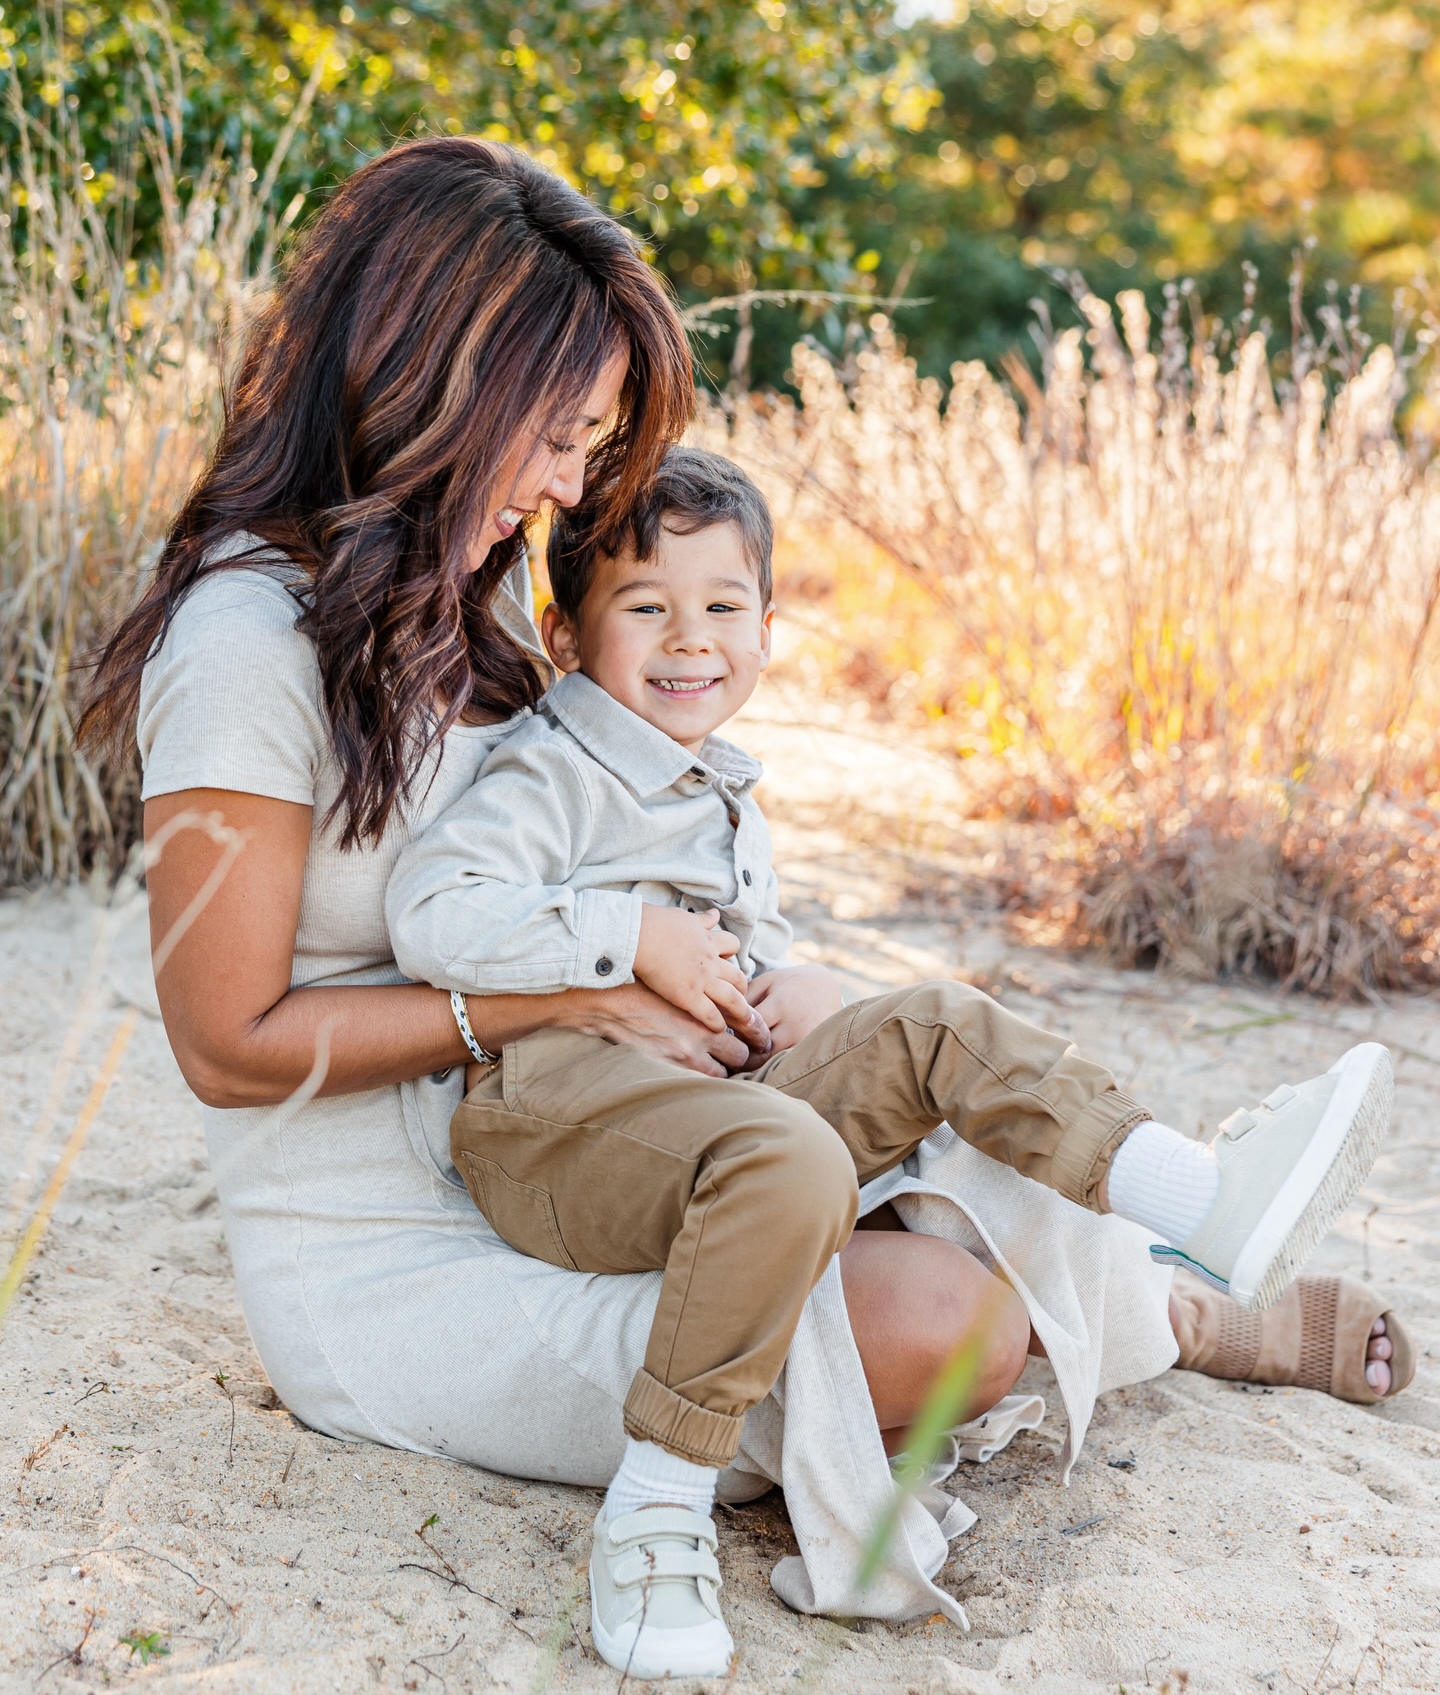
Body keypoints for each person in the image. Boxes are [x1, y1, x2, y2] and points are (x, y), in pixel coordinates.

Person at [76, 138, 1412, 1674]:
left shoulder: (464, 603)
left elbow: (617, 864)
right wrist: (569, 993)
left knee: (921, 1069)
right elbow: (228, 1044)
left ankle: (1187, 1247)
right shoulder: (248, 640)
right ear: (443, 378)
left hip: (602, 1130)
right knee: (940, 1318)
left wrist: (747, 987)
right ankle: (1170, 1319)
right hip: (403, 1250)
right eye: (561, 437)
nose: (572, 490)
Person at [386, 446, 1408, 1678]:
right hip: (555, 1123)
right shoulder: (563, 767)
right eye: (645, 608)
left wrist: (779, 992)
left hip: (703, 1109)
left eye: (721, 609)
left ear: (770, 630)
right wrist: (633, 941)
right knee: (784, 1144)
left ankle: (1194, 1204)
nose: (688, 641)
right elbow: (434, 912)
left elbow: (733, 967)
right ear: (565, 632)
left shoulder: (724, 791)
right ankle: (657, 1509)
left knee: (933, 1020)